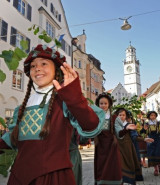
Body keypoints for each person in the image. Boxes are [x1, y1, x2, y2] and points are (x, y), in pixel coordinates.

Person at [0, 44, 105, 185]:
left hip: (54, 177)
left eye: (44, 64)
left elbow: (90, 125)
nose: (37, 68)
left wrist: (73, 96)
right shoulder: (21, 108)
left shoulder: (65, 102)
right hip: (19, 177)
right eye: (33, 66)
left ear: (57, 70)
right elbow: (10, 140)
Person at [115, 108, 153, 184]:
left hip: (128, 148)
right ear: (117, 116)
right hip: (118, 148)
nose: (122, 116)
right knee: (119, 167)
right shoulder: (115, 125)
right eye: (120, 115)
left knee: (129, 165)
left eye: (123, 115)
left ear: (126, 116)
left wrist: (144, 139)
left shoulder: (129, 125)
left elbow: (134, 137)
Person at [94, 93, 122, 185]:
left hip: (111, 144)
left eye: (105, 103)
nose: (103, 105)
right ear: (98, 104)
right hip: (100, 144)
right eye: (101, 103)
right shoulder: (94, 116)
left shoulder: (114, 117)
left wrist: (126, 129)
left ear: (109, 104)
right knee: (101, 165)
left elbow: (119, 131)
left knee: (113, 165)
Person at [144, 111, 160, 176]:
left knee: (158, 153)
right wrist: (145, 130)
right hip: (150, 139)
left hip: (157, 139)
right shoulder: (146, 123)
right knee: (152, 153)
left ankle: (159, 165)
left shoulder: (158, 123)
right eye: (151, 115)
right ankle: (155, 169)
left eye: (154, 115)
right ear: (149, 116)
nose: (153, 116)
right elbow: (144, 133)